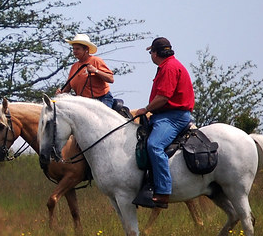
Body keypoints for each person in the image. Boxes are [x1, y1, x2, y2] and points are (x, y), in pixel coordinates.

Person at [129, 37, 195, 208]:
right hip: (165, 115)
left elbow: (163, 97)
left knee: (154, 145)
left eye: (151, 51)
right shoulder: (167, 66)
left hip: (174, 117)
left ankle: (164, 191)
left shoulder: (169, 68)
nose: (150, 54)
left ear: (156, 53)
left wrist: (146, 109)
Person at [56, 33, 115, 107]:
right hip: (83, 102)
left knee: (103, 117)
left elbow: (110, 79)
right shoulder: (74, 66)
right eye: (73, 49)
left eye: (77, 49)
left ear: (86, 49)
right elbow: (68, 87)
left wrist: (95, 71)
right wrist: (61, 93)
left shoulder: (96, 60)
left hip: (102, 99)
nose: (74, 51)